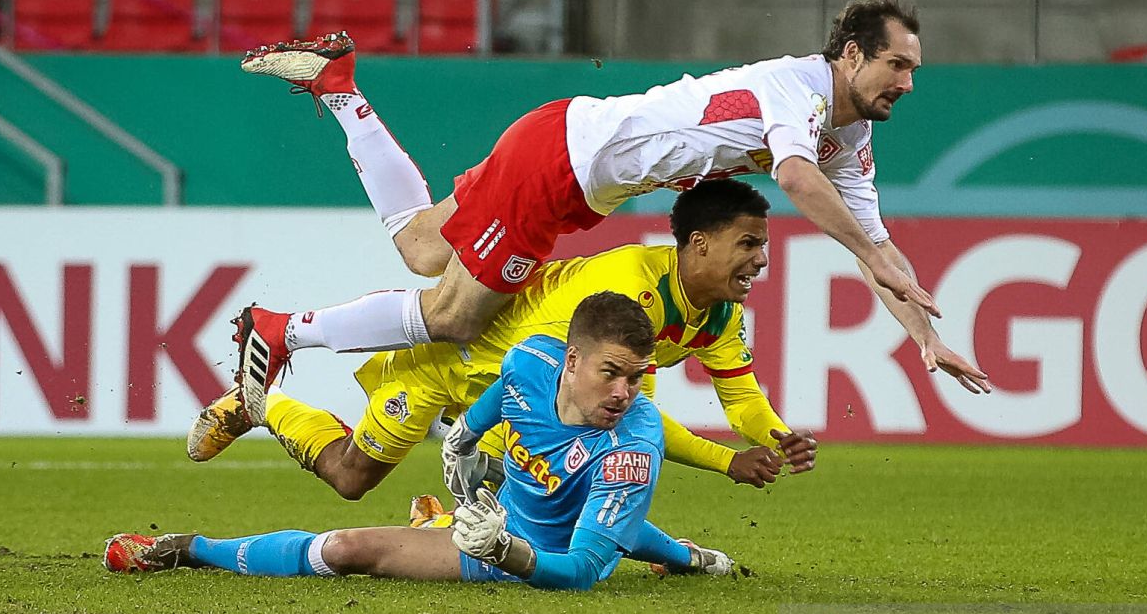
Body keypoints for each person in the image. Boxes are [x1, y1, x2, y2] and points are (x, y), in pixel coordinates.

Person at [233, 0, 958, 420]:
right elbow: (799, 182)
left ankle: (340, 87)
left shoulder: (849, 133)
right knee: (454, 315)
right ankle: (279, 332)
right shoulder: (795, 92)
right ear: (853, 56)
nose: (909, 83)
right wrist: (868, 257)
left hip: (566, 150)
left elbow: (877, 244)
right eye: (898, 65)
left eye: (916, 71)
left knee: (425, 245)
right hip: (558, 165)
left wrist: (922, 336)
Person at [191, 180, 827, 501]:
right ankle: (258, 405)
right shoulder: (625, 289)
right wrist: (726, 461)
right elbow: (587, 394)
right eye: (749, 245)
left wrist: (771, 437)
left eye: (763, 248)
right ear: (699, 244)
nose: (761, 262)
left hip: (515, 391)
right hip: (456, 367)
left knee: (542, 498)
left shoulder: (715, 314)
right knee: (352, 477)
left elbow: (739, 396)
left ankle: (443, 519)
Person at [105, 293, 734, 591]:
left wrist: (507, 551)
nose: (626, 392)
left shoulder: (632, 445)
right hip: (511, 504)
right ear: (570, 360)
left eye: (636, 377)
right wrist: (464, 437)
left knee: (354, 548)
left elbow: (580, 571)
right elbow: (498, 396)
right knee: (571, 497)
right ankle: (688, 557)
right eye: (611, 373)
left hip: (522, 551)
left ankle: (192, 550)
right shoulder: (530, 361)